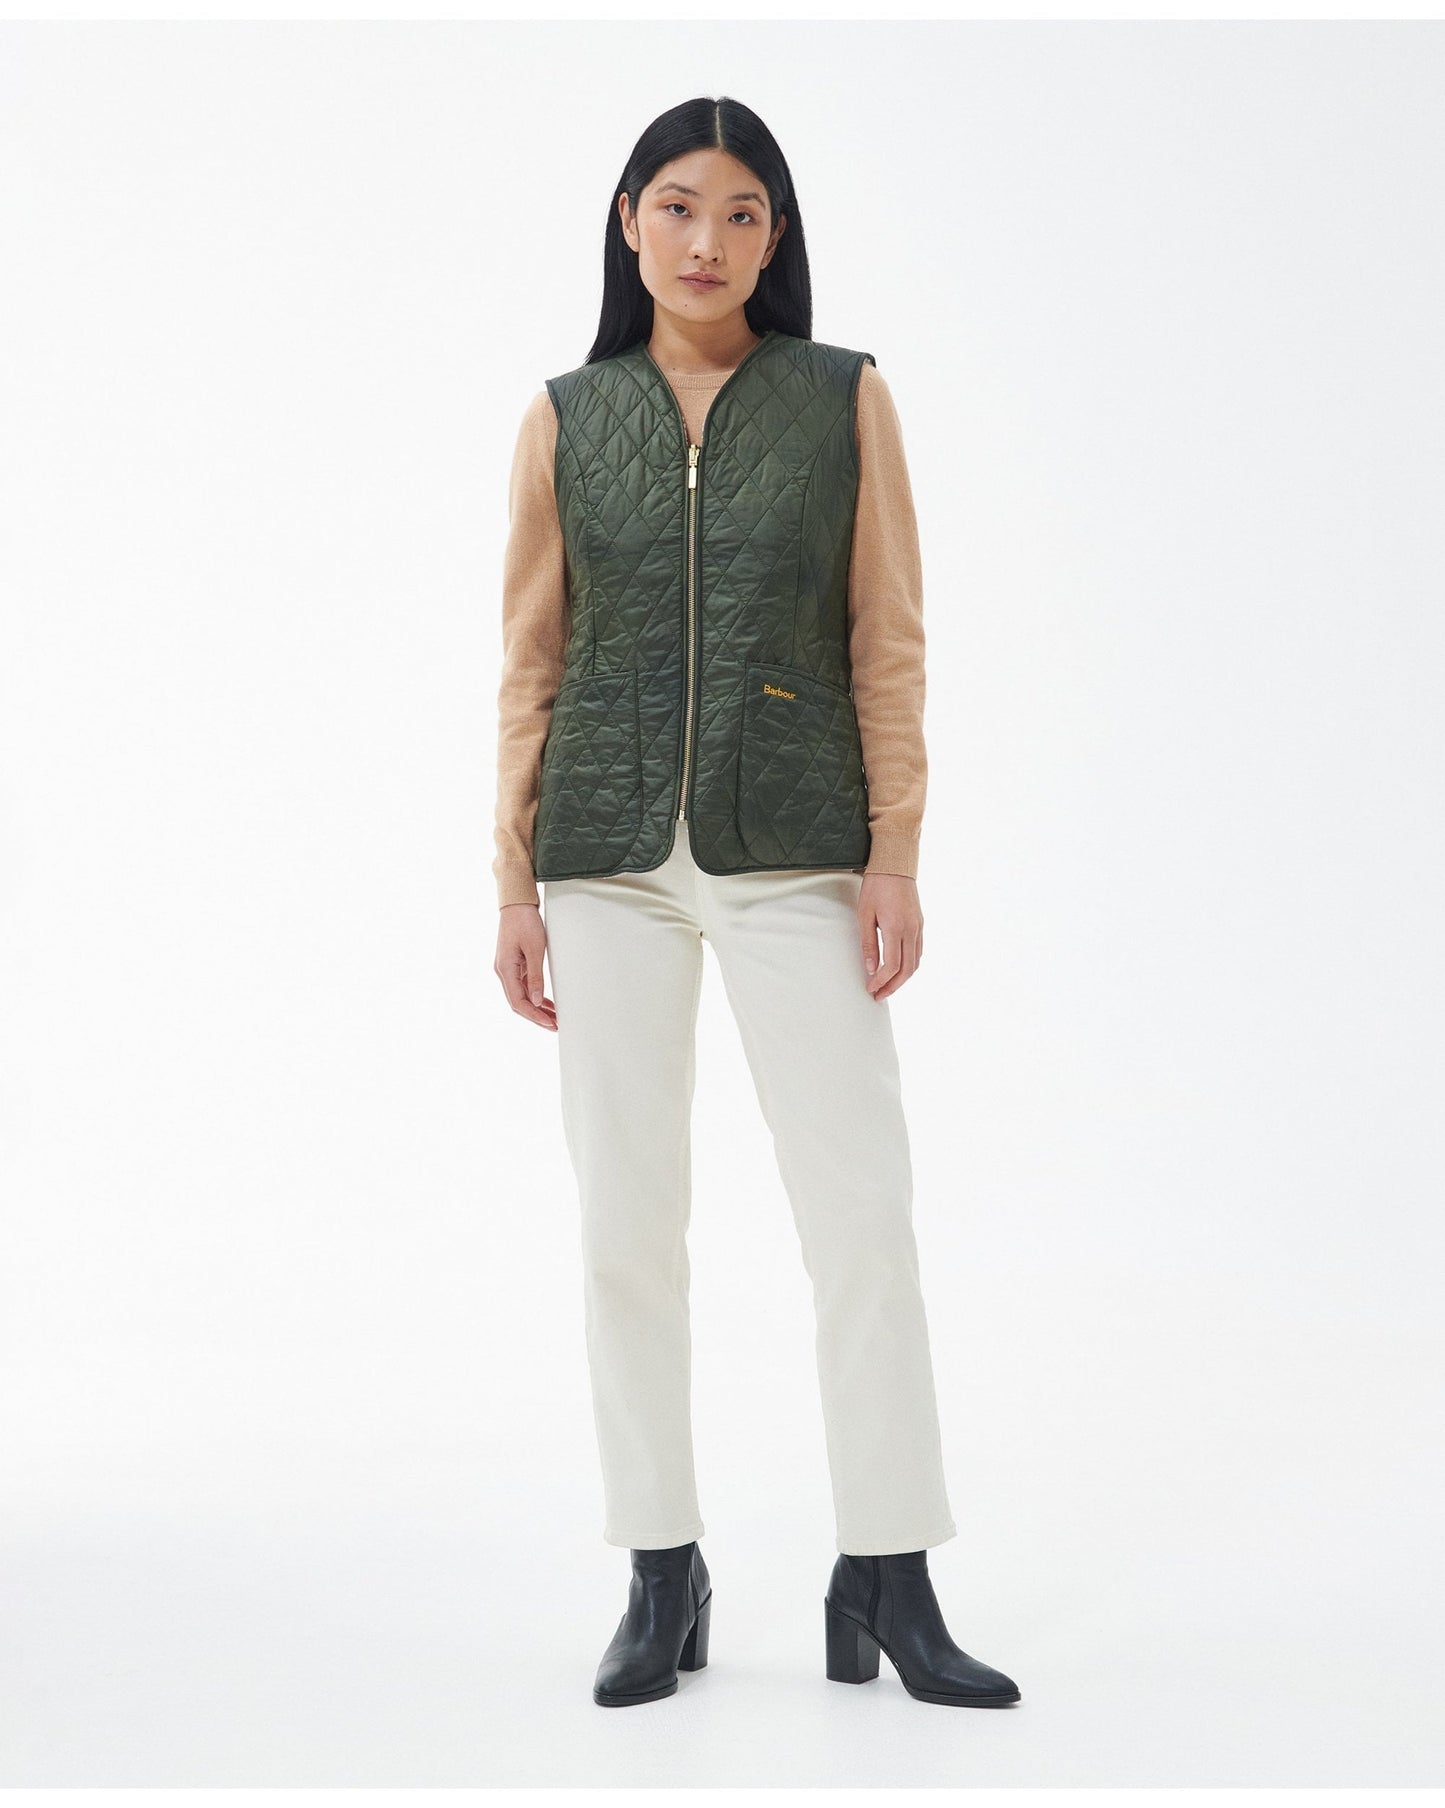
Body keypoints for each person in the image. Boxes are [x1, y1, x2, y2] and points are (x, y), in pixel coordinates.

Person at [491, 95, 1020, 1712]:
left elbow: (887, 637)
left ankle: (888, 1570)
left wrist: (895, 852)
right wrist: (512, 879)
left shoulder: (842, 398)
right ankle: (660, 1567)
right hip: (602, 860)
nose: (704, 241)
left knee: (859, 1216)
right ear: (627, 222)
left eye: (738, 213)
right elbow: (530, 660)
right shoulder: (566, 417)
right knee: (624, 1226)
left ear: (773, 236)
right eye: (675, 207)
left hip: (793, 847)